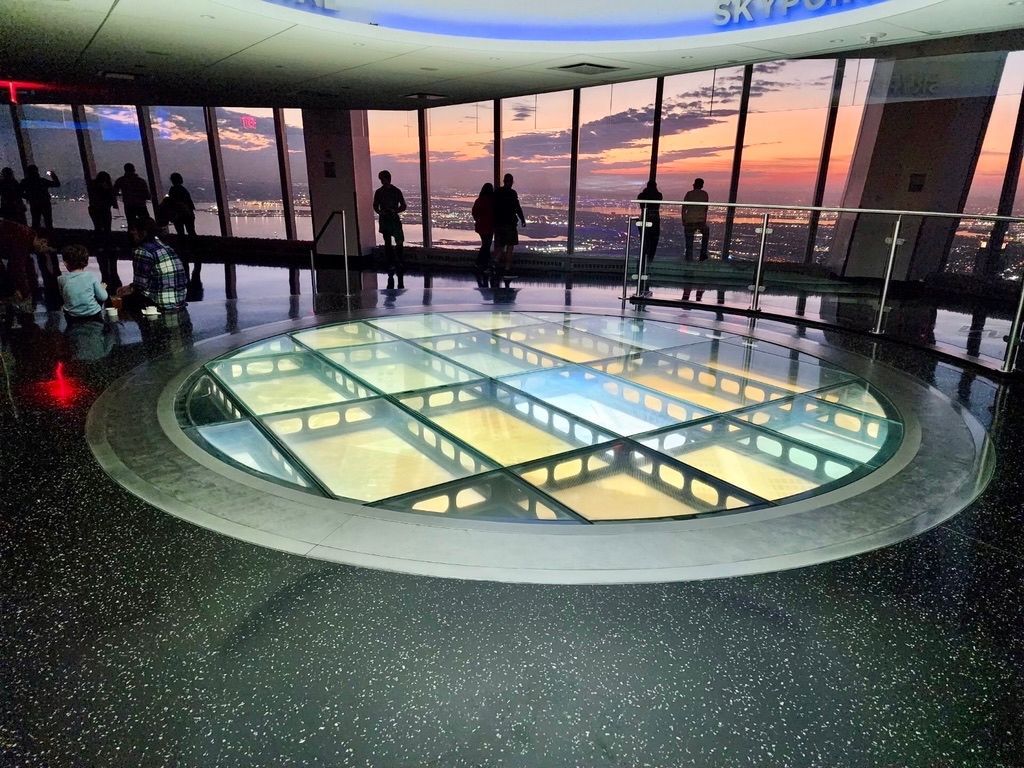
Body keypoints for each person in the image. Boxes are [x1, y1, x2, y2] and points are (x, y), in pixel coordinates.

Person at [116, 217, 187, 314]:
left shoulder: (142, 251)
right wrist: (130, 287)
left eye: (134, 230)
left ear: (143, 232)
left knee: (121, 301)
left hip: (161, 304)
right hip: (180, 300)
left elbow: (140, 286)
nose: (131, 233)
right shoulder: (165, 247)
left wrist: (126, 290)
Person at [0, 218, 43, 326]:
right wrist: (23, 291)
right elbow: (17, 267)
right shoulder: (23, 237)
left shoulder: (26, 236)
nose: (43, 251)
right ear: (42, 241)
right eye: (44, 248)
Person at [372, 170, 407, 289]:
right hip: (387, 219)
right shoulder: (381, 192)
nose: (382, 181)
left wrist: (393, 211)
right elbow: (375, 206)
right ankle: (393, 263)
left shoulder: (393, 191)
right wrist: (382, 212)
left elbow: (403, 205)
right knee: (389, 242)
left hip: (391, 219)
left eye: (383, 179)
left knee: (398, 241)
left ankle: (397, 263)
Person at [57, 244, 107, 324]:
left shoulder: (61, 279)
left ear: (65, 263)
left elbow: (63, 296)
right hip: (93, 315)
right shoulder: (91, 276)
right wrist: (102, 288)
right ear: (86, 262)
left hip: (72, 316)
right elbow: (103, 297)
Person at [492, 173, 526, 285]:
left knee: (501, 245)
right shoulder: (512, 193)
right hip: (510, 224)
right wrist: (522, 219)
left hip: (499, 224)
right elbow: (517, 207)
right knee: (510, 247)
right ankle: (507, 269)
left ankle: (494, 263)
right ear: (511, 182)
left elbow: (494, 207)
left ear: (503, 181)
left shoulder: (497, 192)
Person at [636, 179, 663, 295]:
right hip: (655, 220)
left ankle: (642, 264)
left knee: (644, 242)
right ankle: (649, 263)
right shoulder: (658, 195)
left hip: (644, 218)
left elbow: (641, 202)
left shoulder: (642, 195)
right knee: (653, 241)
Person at [20, 165, 60, 230]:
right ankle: (50, 237)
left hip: (34, 203)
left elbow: (19, 192)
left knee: (35, 222)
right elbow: (57, 184)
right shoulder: (42, 181)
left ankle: (35, 237)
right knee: (48, 222)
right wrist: (53, 175)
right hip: (45, 203)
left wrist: (28, 197)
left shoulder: (25, 182)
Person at [113, 163, 151, 227]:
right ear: (134, 169)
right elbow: (147, 195)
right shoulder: (141, 181)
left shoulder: (121, 180)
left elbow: (114, 192)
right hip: (141, 205)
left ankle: (133, 236)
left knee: (131, 224)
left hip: (129, 205)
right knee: (146, 223)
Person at [471, 182, 495, 285]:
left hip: (481, 226)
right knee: (486, 245)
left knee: (485, 244)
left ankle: (484, 264)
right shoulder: (492, 201)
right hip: (489, 226)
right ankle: (481, 264)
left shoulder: (479, 200)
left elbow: (474, 213)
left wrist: (478, 220)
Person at [682, 177, 710, 262]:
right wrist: (704, 219)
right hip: (700, 221)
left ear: (694, 184)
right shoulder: (705, 194)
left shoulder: (689, 194)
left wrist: (683, 219)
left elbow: (684, 208)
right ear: (702, 185)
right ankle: (703, 253)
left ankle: (689, 259)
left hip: (689, 220)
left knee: (689, 242)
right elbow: (705, 208)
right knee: (706, 233)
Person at [166, 172, 197, 237]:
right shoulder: (183, 189)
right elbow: (189, 203)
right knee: (191, 231)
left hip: (177, 215)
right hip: (187, 214)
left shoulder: (172, 190)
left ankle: (183, 245)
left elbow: (171, 203)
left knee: (180, 233)